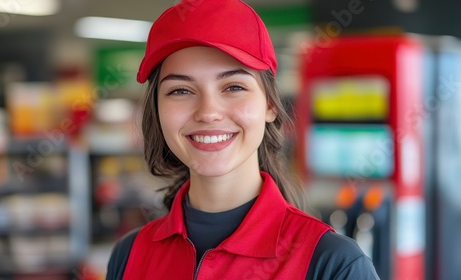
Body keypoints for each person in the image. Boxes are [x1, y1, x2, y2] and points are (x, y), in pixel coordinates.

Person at [107, 0, 380, 279]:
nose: (208, 112)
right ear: (157, 111)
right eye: (180, 90)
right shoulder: (129, 255)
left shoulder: (333, 263)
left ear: (271, 106)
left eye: (234, 86)